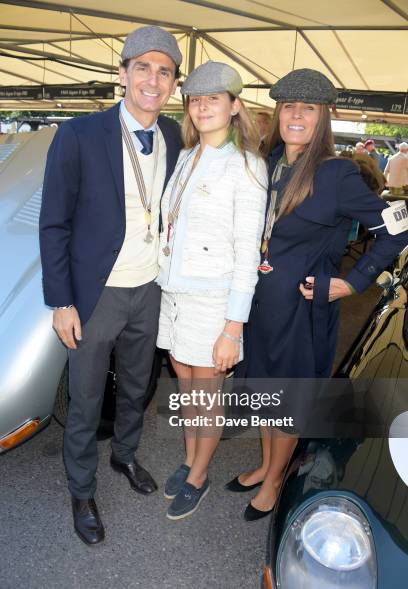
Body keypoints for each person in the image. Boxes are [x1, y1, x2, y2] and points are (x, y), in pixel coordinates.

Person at [226, 68, 408, 521]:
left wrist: (352, 281)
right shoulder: (270, 164)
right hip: (261, 305)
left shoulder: (336, 174)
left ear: (323, 116)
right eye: (289, 106)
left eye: (308, 108)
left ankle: (273, 481)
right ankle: (268, 464)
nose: (296, 115)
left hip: (301, 311)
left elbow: (397, 228)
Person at [39, 26, 183, 545]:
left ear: (172, 84)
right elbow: (53, 222)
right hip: (96, 294)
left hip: (149, 288)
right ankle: (82, 490)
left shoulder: (173, 137)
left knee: (138, 387)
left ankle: (125, 455)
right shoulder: (78, 134)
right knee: (84, 397)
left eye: (163, 71)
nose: (152, 79)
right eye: (142, 67)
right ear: (121, 74)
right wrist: (61, 301)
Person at [155, 61, 267, 520]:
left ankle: (198, 474)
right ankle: (188, 458)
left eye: (213, 99)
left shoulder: (248, 166)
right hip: (174, 292)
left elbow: (246, 254)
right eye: (195, 100)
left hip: (213, 300)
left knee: (206, 396)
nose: (202, 107)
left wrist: (232, 327)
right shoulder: (185, 156)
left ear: (234, 106)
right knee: (187, 391)